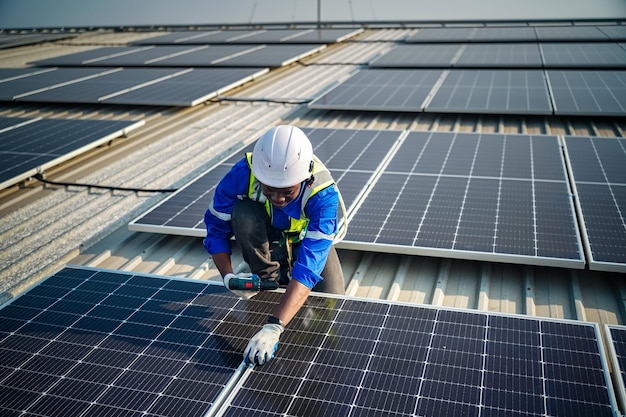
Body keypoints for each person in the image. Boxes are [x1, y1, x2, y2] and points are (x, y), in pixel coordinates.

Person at [203, 124, 347, 366]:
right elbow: (216, 229)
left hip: (306, 239)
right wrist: (227, 275)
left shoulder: (323, 195)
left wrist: (274, 326)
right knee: (244, 213)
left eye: (287, 192)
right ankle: (269, 278)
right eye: (270, 189)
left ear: (305, 178)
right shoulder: (242, 174)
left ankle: (289, 311)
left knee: (334, 300)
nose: (278, 198)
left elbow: (309, 267)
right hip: (266, 231)